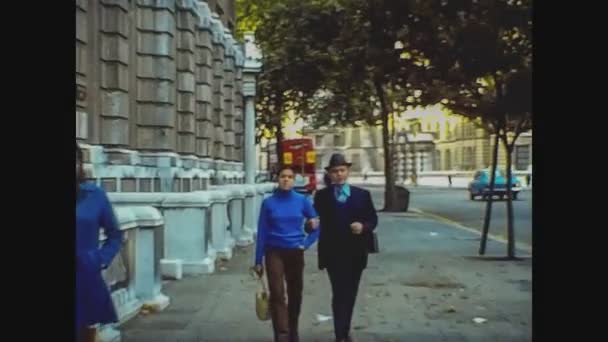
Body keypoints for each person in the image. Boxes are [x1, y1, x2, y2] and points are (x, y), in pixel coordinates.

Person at [311, 153, 378, 342]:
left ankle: (344, 329)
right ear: (329, 174)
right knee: (339, 292)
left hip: (356, 253)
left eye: (342, 170)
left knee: (350, 293)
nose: (339, 174)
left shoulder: (362, 195)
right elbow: (315, 219)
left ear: (348, 171)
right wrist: (311, 225)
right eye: (335, 171)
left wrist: (363, 227)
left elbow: (372, 219)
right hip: (332, 254)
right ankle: (340, 334)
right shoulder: (322, 196)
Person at [253, 165, 320, 342]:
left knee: (295, 292)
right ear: (277, 178)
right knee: (277, 294)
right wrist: (258, 259)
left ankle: (293, 330)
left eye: (290, 177)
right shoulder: (268, 203)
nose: (286, 180)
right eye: (283, 176)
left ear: (294, 180)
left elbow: (317, 226)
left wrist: (305, 244)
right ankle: (282, 335)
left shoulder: (302, 200)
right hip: (274, 251)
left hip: (295, 251)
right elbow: (262, 232)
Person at [76, 143, 124, 342]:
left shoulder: (95, 195)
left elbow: (115, 235)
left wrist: (99, 259)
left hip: (84, 279)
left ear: (79, 165)